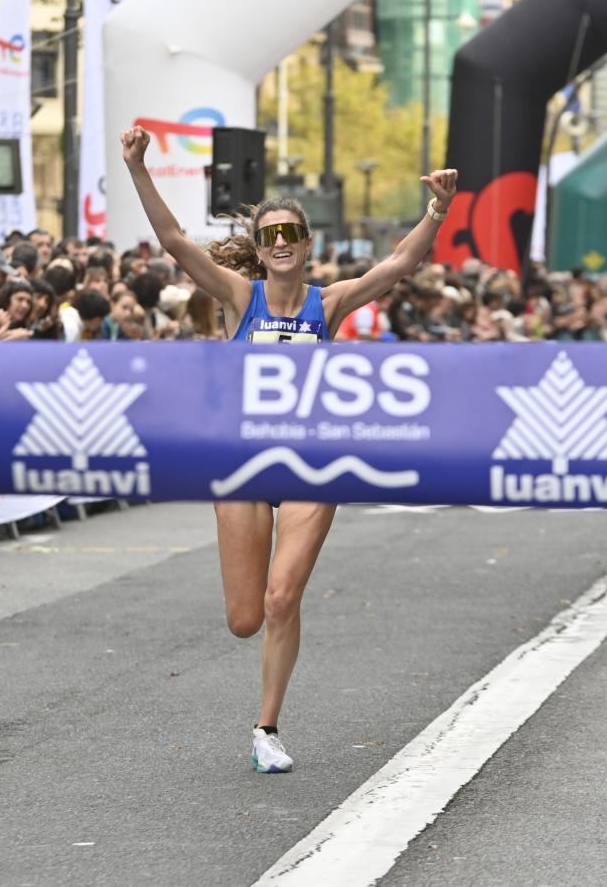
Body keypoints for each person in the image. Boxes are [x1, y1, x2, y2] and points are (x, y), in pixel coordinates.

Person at [120, 125, 457, 774]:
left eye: (288, 235)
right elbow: (174, 243)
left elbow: (398, 265)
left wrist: (436, 210)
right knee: (245, 618)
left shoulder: (326, 304)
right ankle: (264, 707)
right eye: (267, 235)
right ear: (259, 246)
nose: (278, 244)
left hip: (309, 463)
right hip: (244, 464)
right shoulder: (238, 297)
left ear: (305, 246)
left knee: (282, 599)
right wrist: (138, 168)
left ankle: (266, 728)